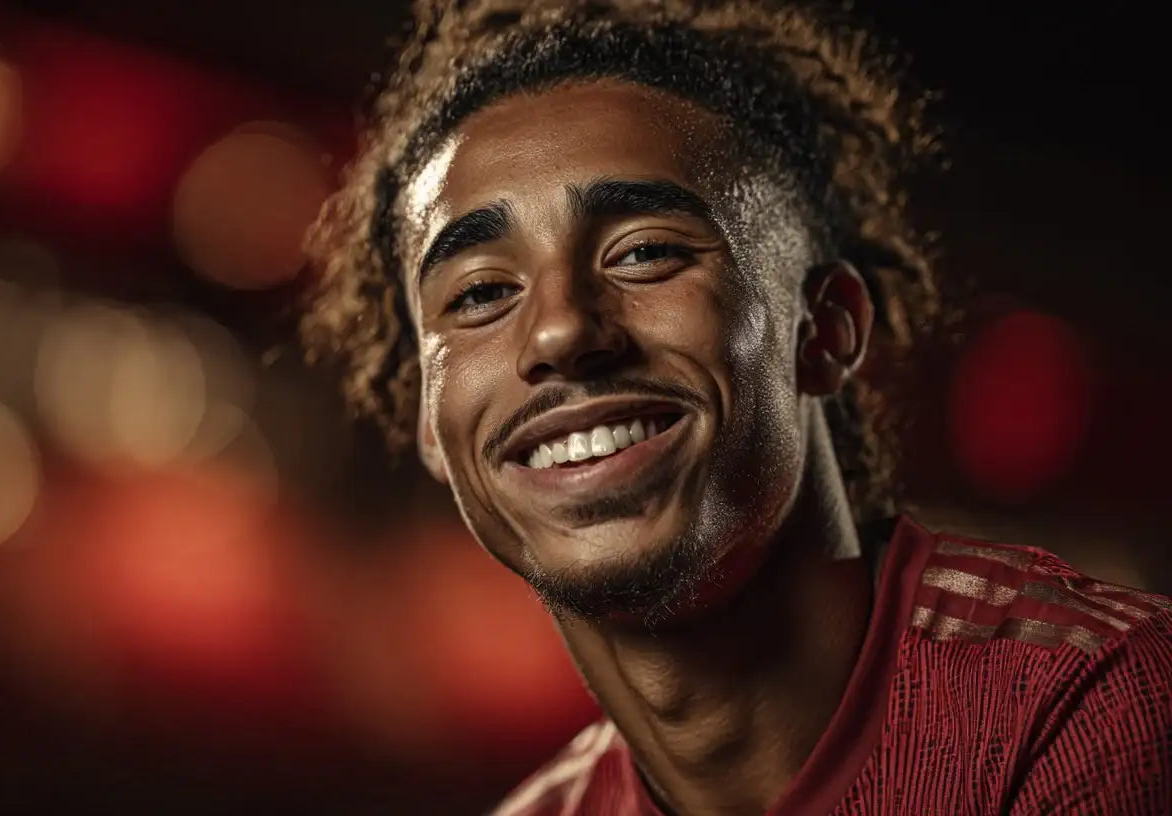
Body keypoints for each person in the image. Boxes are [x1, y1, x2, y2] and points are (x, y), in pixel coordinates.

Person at [299, 1, 1172, 813]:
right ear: (429, 421)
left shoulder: (1097, 706)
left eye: (643, 253)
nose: (561, 331)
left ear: (825, 330)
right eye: (483, 292)